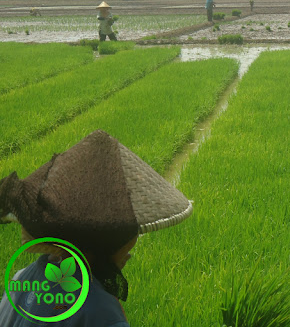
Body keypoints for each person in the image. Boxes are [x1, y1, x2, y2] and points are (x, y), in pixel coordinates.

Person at [0, 130, 193, 326]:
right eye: (125, 232)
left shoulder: (22, 279)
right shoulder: (99, 311)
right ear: (103, 242)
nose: (129, 252)